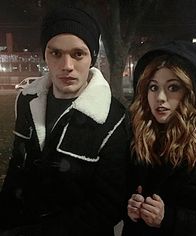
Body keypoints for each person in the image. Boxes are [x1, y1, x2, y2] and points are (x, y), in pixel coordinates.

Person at [0, 6, 130, 236]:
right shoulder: (27, 100)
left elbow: (109, 205)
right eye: (56, 53)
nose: (67, 65)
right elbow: (17, 169)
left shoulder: (112, 117)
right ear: (45, 55)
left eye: (78, 54)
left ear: (91, 57)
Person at [122, 40, 196, 236]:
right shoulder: (137, 135)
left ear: (192, 92)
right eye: (153, 87)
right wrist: (130, 208)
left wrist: (169, 219)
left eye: (173, 87)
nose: (160, 98)